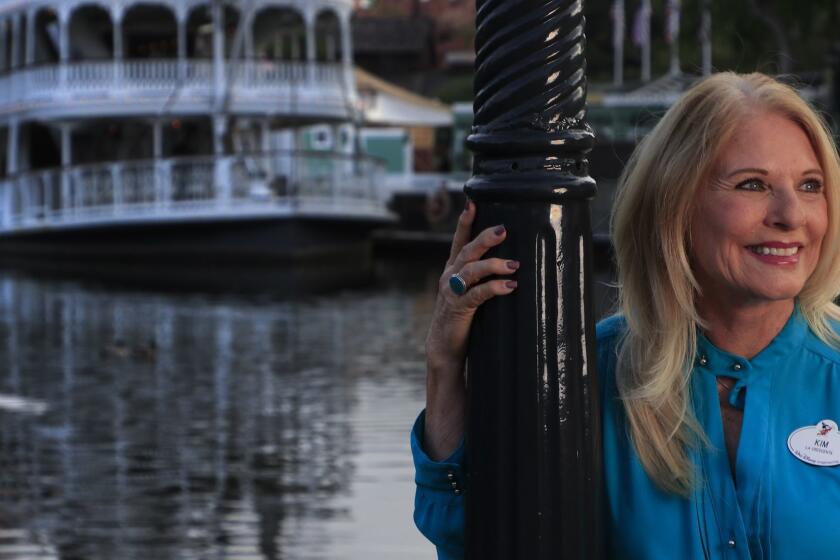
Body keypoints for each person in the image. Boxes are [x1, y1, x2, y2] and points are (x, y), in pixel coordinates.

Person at [412, 72, 840, 559]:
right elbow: (480, 542)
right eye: (752, 184)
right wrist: (444, 366)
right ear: (675, 206)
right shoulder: (581, 378)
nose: (792, 214)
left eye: (810, 185)